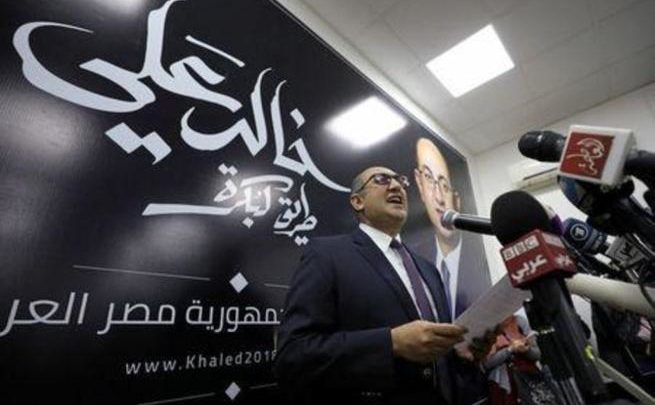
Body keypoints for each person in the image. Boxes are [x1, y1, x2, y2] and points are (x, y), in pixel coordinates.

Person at [275, 166, 468, 405]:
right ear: (358, 201)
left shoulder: (428, 269)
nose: (397, 186)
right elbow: (294, 355)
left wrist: (464, 356)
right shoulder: (326, 255)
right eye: (381, 180)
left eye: (400, 180)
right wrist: (391, 343)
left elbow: (441, 358)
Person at [413, 137, 491, 319]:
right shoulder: (414, 259)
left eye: (445, 186)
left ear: (457, 200)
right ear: (419, 185)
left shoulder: (479, 259)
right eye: (429, 179)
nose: (439, 198)